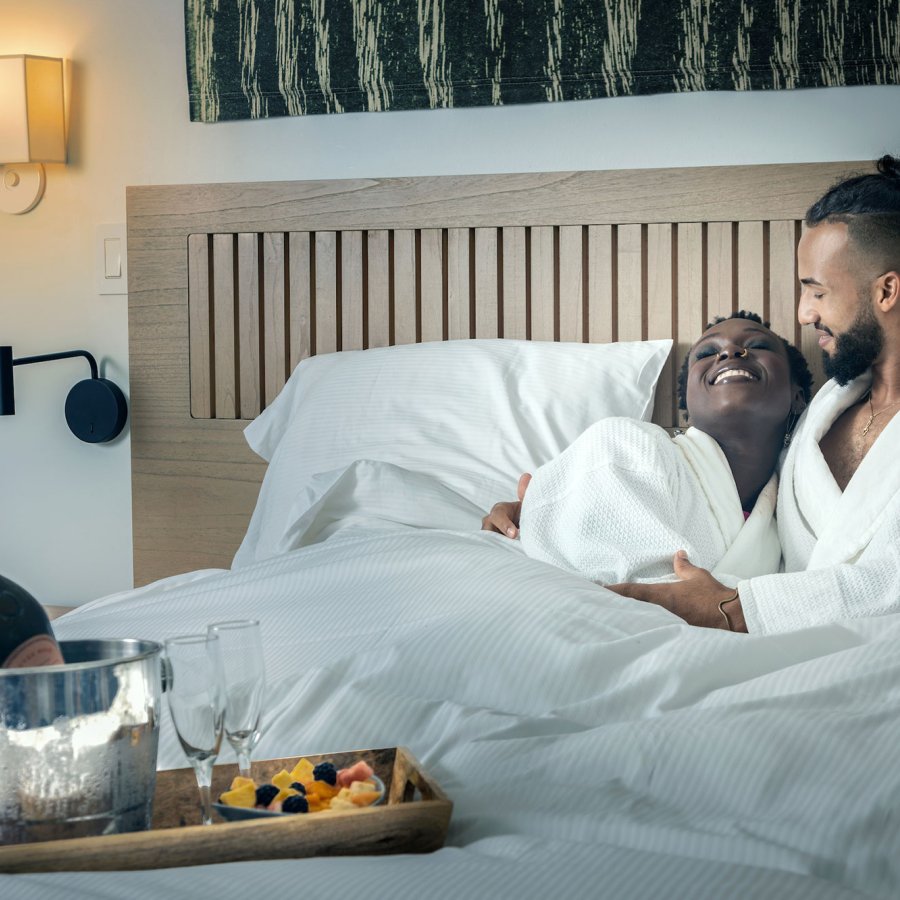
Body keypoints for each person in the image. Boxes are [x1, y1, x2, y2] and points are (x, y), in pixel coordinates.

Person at [484, 154, 900, 634]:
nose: (804, 314)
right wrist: (547, 509)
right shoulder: (819, 422)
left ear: (886, 291)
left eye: (817, 292)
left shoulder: (799, 424)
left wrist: (733, 608)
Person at [514, 312, 810, 595]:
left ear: (797, 396)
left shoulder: (791, 525)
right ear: (688, 406)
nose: (730, 351)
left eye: (757, 345)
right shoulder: (626, 445)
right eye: (707, 353)